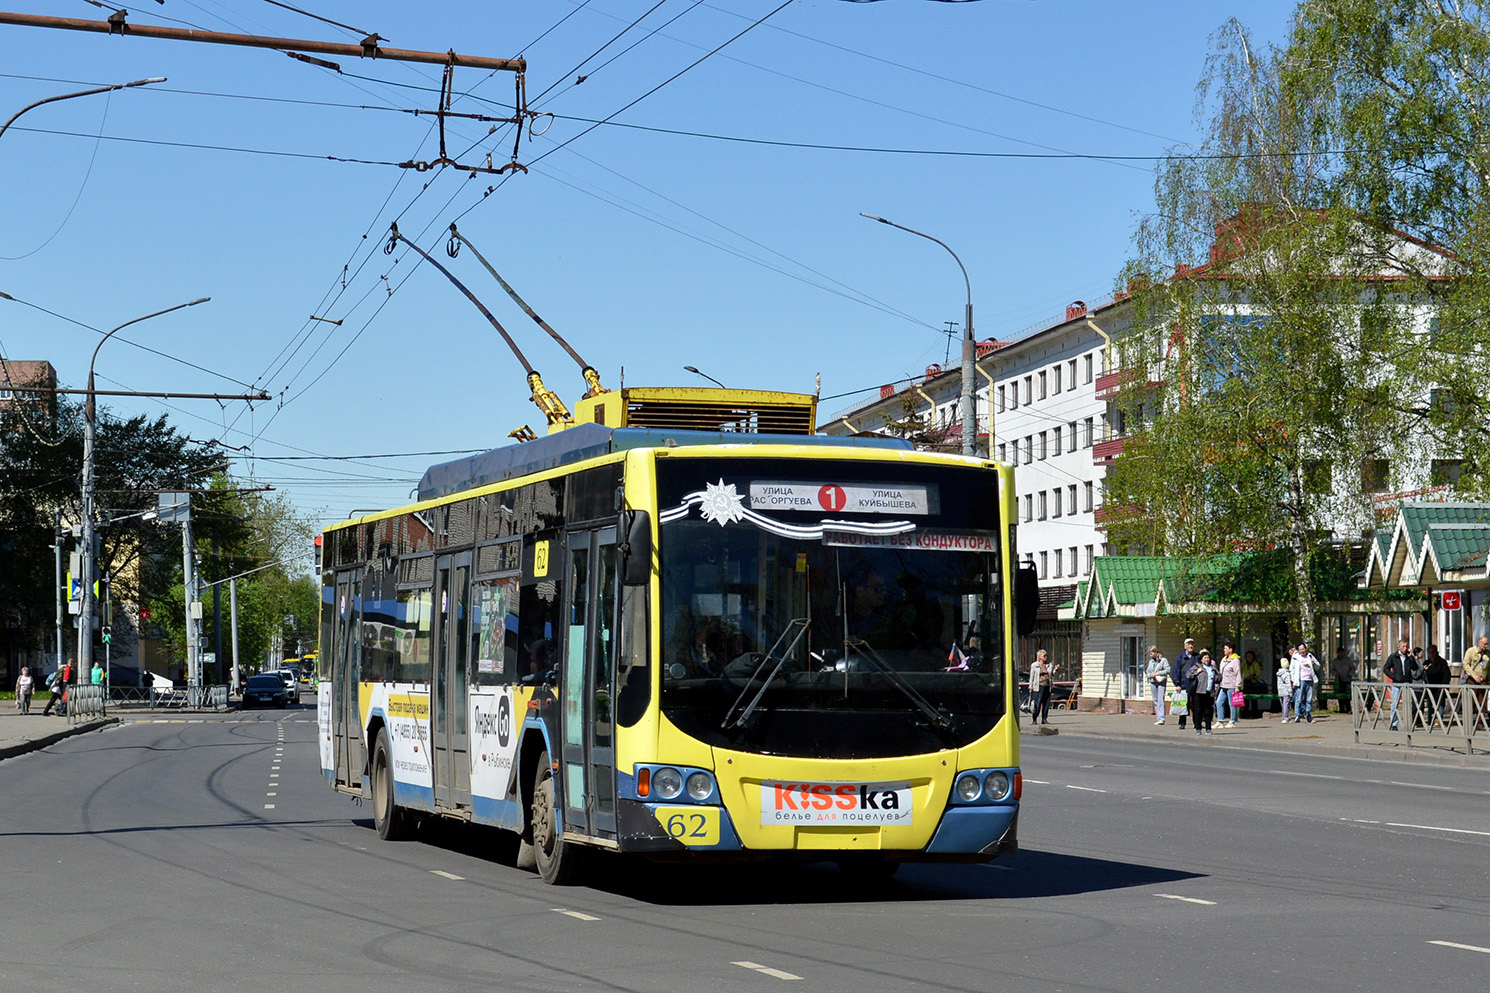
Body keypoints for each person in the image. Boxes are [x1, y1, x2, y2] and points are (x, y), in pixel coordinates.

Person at [1381, 639, 1417, 731]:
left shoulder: (1408, 657)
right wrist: (1394, 676)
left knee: (1408, 704)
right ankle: (1394, 724)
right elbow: (1386, 668)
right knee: (1394, 704)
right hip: (1397, 683)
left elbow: (1414, 667)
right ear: (1399, 647)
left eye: (1406, 646)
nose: (1405, 648)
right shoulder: (1394, 657)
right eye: (1403, 646)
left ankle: (1408, 723)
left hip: (1407, 683)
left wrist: (1411, 657)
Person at [1173, 638, 1201, 731]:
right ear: (1185, 646)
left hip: (1195, 684)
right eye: (1188, 644)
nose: (1191, 646)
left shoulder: (1197, 657)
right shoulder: (1180, 657)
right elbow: (1176, 671)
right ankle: (1182, 723)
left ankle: (1197, 723)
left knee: (1196, 705)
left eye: (1192, 644)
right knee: (1183, 704)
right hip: (1184, 684)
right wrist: (1177, 684)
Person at [1462, 636, 1489, 729]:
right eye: (1485, 644)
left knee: (1482, 703)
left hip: (1484, 681)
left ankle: (1480, 723)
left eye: (1487, 644)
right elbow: (1466, 665)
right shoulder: (1471, 651)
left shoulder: (1488, 654)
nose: (1486, 646)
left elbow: (1488, 668)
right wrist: (1474, 675)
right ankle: (1468, 723)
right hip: (1472, 681)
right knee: (1471, 702)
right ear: (1479, 643)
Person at [1290, 643, 1321, 724]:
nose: (1302, 651)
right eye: (1300, 650)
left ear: (1306, 649)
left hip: (1310, 679)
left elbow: (1318, 667)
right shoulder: (1295, 657)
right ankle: (1297, 715)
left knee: (1309, 699)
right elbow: (1292, 669)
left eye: (1303, 649)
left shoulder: (1310, 656)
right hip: (1300, 680)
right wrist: (1293, 680)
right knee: (1299, 699)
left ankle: (1308, 715)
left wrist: (1314, 663)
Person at [1190, 649, 1217, 735]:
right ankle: (1198, 728)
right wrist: (1196, 672)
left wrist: (1216, 678)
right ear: (1201, 659)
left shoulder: (1212, 668)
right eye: (1205, 658)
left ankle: (1208, 728)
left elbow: (1219, 677)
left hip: (1209, 692)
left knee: (1208, 711)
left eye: (1208, 658)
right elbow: (1188, 674)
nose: (1206, 659)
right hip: (1199, 692)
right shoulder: (1197, 666)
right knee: (1198, 711)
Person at [1422, 646, 1451, 726]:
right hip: (1430, 687)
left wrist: (1443, 685)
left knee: (1440, 703)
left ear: (1436, 652)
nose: (1431, 654)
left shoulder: (1442, 662)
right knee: (1430, 703)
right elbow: (1423, 674)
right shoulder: (1426, 663)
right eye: (1429, 653)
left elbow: (1447, 675)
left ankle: (1439, 719)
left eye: (1433, 652)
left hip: (1440, 686)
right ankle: (1430, 719)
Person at [1216, 642, 1243, 728]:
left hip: (1232, 685)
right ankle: (1220, 721)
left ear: (1230, 650)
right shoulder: (1224, 660)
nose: (1224, 650)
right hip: (1223, 685)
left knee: (1232, 704)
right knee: (1219, 702)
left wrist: (1238, 686)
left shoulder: (1235, 661)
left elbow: (1238, 673)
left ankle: (1232, 721)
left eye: (1225, 648)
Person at [1144, 645, 1170, 725]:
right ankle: (1158, 718)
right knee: (1155, 700)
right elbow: (1148, 671)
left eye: (1151, 653)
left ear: (1156, 652)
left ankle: (1162, 718)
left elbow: (1168, 669)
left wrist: (1158, 673)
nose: (1150, 655)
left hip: (1161, 681)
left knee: (1160, 699)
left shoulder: (1163, 660)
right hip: (1153, 682)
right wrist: (1150, 675)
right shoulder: (1151, 661)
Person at [1028, 649, 1054, 726]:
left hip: (1047, 686)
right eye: (1044, 656)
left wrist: (1055, 670)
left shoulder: (1049, 664)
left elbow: (1051, 674)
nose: (1046, 657)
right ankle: (1034, 719)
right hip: (1038, 686)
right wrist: (1030, 687)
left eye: (1046, 655)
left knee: (1046, 703)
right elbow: (1031, 676)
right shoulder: (1034, 665)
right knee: (1037, 703)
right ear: (1039, 657)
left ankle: (1044, 719)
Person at [1329, 647, 1355, 714]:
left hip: (1347, 679)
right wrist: (1336, 675)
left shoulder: (1348, 660)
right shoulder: (1335, 661)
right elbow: (1332, 669)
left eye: (1342, 652)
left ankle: (1348, 708)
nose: (1341, 654)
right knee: (1340, 695)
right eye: (1340, 652)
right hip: (1339, 680)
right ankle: (1341, 708)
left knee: (1347, 695)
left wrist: (1350, 674)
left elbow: (1353, 668)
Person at [1276, 654, 1295, 723]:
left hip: (1280, 691)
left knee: (1283, 704)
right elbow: (1288, 683)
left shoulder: (1279, 673)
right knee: (1286, 704)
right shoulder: (1286, 673)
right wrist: (1290, 691)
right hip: (1286, 691)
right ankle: (1285, 717)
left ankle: (1283, 716)